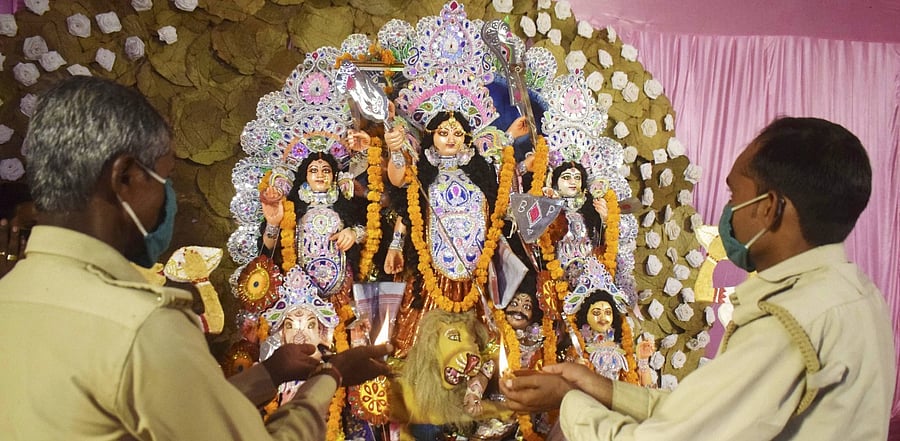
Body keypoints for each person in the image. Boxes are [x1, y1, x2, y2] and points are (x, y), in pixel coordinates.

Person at [0, 76, 391, 440]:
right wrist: (331, 377)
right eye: (164, 178)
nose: (168, 198)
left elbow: (169, 408)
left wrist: (268, 374)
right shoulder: (145, 326)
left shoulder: (10, 294)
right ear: (125, 178)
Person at [499, 117, 896, 440]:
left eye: (734, 196)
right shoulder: (855, 294)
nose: (728, 212)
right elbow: (702, 415)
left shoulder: (787, 323)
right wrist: (600, 388)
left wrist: (570, 403)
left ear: (769, 208)